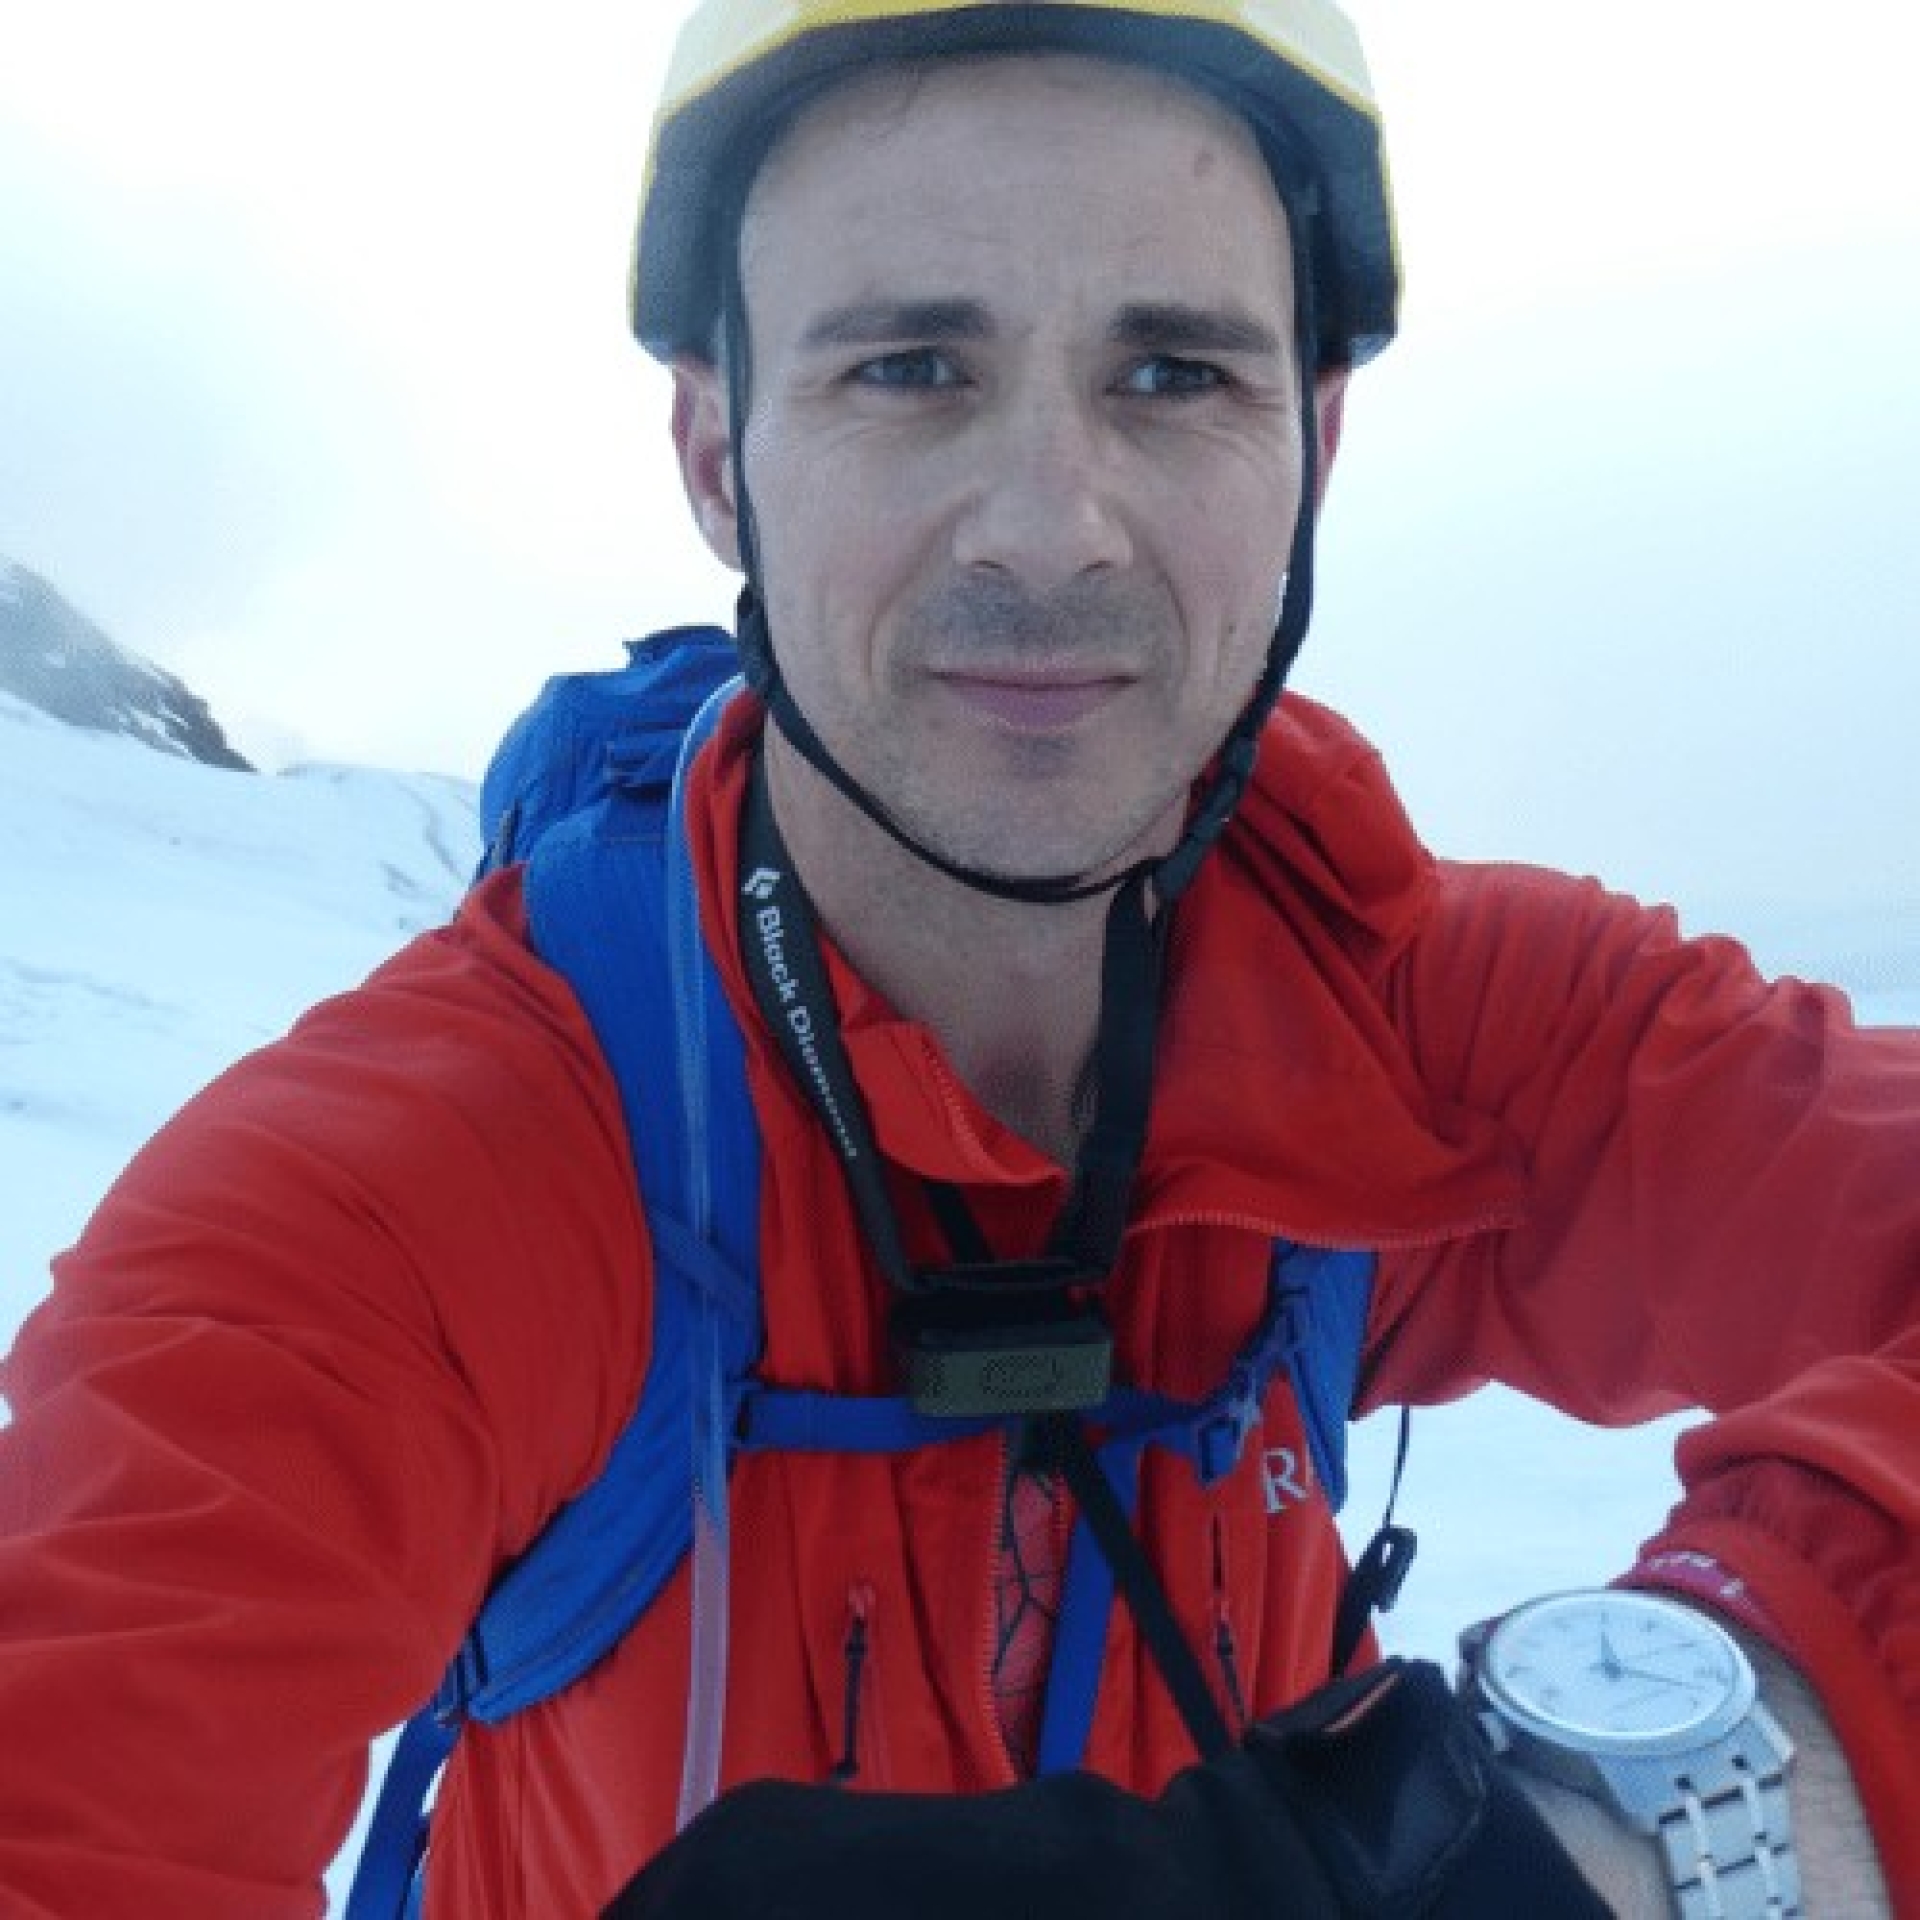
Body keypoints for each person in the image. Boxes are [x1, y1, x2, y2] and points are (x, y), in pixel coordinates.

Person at [0, 1, 1910, 1913]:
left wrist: (1644, 1810)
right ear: (720, 453)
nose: (1053, 530)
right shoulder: (436, 1183)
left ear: (1313, 447)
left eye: (1174, 374)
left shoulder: (1423, 1032)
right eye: (911, 367)